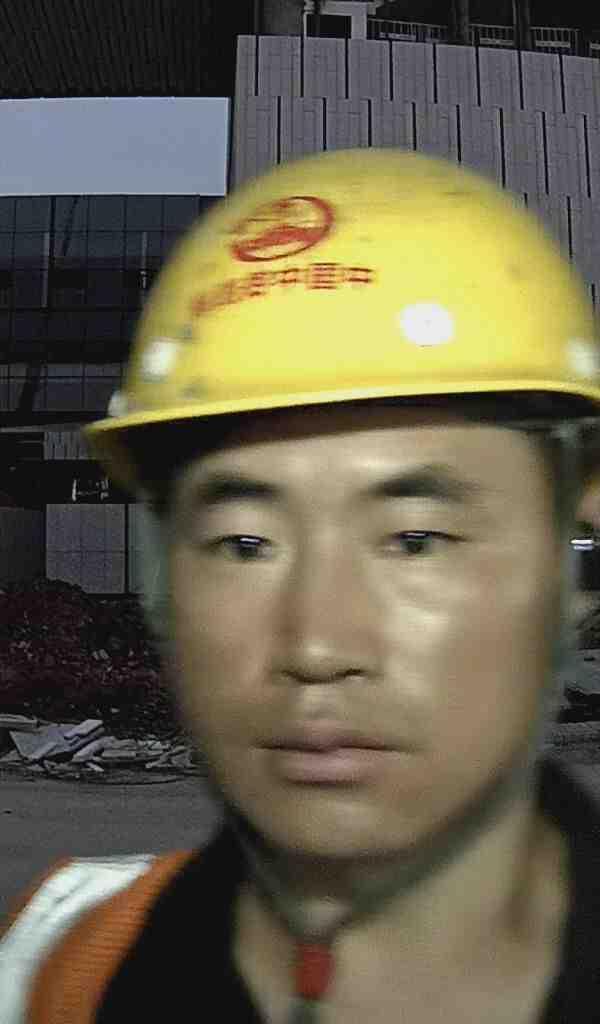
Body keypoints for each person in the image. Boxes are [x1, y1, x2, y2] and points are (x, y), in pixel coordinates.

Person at [2, 147, 600, 1022]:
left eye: (415, 540)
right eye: (244, 545)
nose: (316, 645)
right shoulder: (66, 964)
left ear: (566, 569)